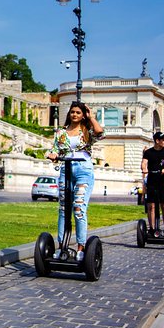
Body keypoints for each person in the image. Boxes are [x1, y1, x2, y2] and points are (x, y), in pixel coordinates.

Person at [46, 102, 104, 261]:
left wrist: (91, 117)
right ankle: (61, 247)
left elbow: (99, 133)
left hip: (83, 170)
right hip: (66, 169)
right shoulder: (61, 132)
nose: (75, 115)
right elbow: (55, 149)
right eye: (72, 112)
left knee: (78, 208)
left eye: (78, 112)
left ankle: (81, 247)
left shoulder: (87, 130)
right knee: (63, 209)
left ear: (83, 115)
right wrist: (52, 155)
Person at [141, 132, 164, 237]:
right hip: (152, 181)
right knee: (151, 206)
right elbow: (144, 163)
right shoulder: (149, 153)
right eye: (163, 140)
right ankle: (152, 229)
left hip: (163, 182)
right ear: (157, 141)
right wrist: (144, 169)